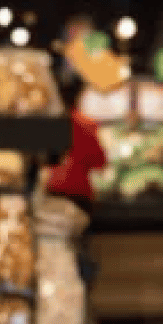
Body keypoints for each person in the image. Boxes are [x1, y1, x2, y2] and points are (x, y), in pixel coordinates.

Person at [45, 78, 107, 287]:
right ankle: (78, 286)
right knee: (78, 247)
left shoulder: (47, 124)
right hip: (79, 195)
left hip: (52, 192)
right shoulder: (85, 124)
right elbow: (99, 160)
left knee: (51, 246)